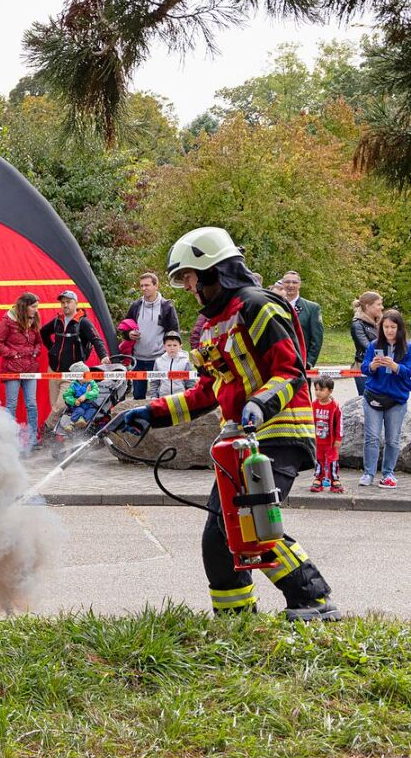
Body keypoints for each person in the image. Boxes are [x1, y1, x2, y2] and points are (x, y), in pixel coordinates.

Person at [116, 226, 339, 621]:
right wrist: (152, 412)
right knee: (219, 536)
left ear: (209, 270)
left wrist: (259, 404)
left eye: (188, 277)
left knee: (246, 522)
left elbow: (290, 372)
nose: (187, 287)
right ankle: (235, 622)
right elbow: (206, 393)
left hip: (279, 431)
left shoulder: (258, 306)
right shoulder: (212, 325)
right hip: (239, 440)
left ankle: (315, 600)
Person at [40, 289, 111, 436]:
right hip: (53, 370)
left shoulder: (83, 322)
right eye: (63, 302)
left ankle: (46, 431)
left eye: (68, 302)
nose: (65, 305)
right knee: (55, 406)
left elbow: (96, 340)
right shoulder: (57, 321)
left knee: (60, 406)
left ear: (76, 303)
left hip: (73, 373)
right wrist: (52, 349)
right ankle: (56, 438)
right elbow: (43, 332)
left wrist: (103, 355)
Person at [359, 309, 411, 489]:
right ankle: (368, 473)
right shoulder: (374, 345)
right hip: (373, 395)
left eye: (393, 327)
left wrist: (396, 366)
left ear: (400, 328)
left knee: (392, 439)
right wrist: (372, 365)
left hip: (396, 399)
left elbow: (409, 372)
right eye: (386, 327)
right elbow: (364, 368)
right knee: (372, 437)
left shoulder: (408, 347)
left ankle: (388, 473)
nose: (389, 330)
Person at [0, 292, 43, 453]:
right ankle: (10, 439)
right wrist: (12, 354)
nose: (36, 310)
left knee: (32, 404)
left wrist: (35, 352)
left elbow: (38, 342)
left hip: (30, 368)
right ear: (24, 306)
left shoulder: (35, 319)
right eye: (33, 307)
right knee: (11, 404)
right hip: (12, 369)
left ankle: (33, 438)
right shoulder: (7, 321)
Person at [125, 272, 179, 399]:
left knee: (160, 395)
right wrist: (129, 334)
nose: (144, 288)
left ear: (156, 286)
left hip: (159, 358)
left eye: (147, 285)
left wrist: (172, 352)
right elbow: (124, 326)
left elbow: (174, 332)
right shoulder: (135, 306)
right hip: (138, 359)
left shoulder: (167, 306)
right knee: (138, 397)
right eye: (141, 286)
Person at [281, 271, 324, 368]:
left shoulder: (312, 308)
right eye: (287, 282)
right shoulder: (273, 305)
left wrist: (309, 362)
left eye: (294, 282)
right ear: (282, 283)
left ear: (299, 285)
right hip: (278, 361)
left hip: (301, 363)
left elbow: (317, 339)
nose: (290, 285)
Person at [311, 377, 343, 493]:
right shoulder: (313, 405)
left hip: (331, 440)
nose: (318, 392)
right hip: (318, 440)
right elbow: (309, 421)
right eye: (316, 389)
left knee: (332, 459)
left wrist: (338, 438)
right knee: (319, 459)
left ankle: (334, 479)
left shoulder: (334, 406)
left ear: (330, 391)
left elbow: (339, 423)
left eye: (321, 390)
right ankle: (318, 478)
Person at [351, 291, 383, 396]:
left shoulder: (383, 322)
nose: (381, 307)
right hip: (363, 366)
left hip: (383, 365)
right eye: (378, 304)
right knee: (366, 401)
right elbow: (368, 347)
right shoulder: (357, 324)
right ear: (368, 306)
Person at [148, 330, 196, 398]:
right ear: (164, 346)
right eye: (169, 345)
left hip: (181, 398)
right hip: (163, 398)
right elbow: (155, 381)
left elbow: (190, 382)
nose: (172, 348)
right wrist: (154, 396)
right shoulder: (159, 361)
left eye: (175, 345)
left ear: (180, 346)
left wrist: (190, 396)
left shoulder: (185, 361)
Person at [61, 361, 100, 428]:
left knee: (94, 410)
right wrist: (74, 401)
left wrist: (86, 395)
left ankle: (82, 421)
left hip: (89, 405)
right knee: (79, 411)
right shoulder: (73, 386)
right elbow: (66, 396)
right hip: (78, 406)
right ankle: (72, 423)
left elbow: (96, 391)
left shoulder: (92, 383)